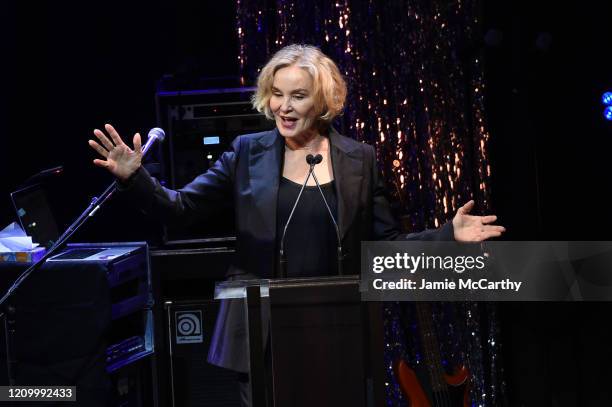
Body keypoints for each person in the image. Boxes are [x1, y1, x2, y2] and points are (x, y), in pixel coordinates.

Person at [88, 44, 505, 405]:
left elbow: (388, 247)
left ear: (323, 100)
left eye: (298, 96)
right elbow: (180, 208)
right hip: (261, 332)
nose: (283, 107)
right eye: (276, 94)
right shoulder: (246, 154)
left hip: (337, 330)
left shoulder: (360, 160)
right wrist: (134, 179)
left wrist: (448, 235)